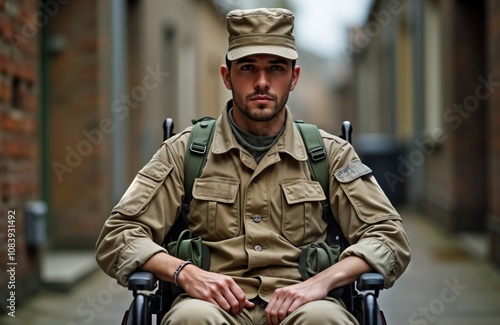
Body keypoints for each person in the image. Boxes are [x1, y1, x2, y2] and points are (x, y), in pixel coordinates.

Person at [96, 8, 411, 325]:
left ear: (294, 77)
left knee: (325, 319)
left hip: (304, 305)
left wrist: (324, 281)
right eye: (248, 68)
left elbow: (388, 236)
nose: (262, 82)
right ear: (226, 76)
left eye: (275, 68)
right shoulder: (184, 152)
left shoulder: (330, 155)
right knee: (190, 318)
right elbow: (118, 235)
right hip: (210, 306)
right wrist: (184, 273)